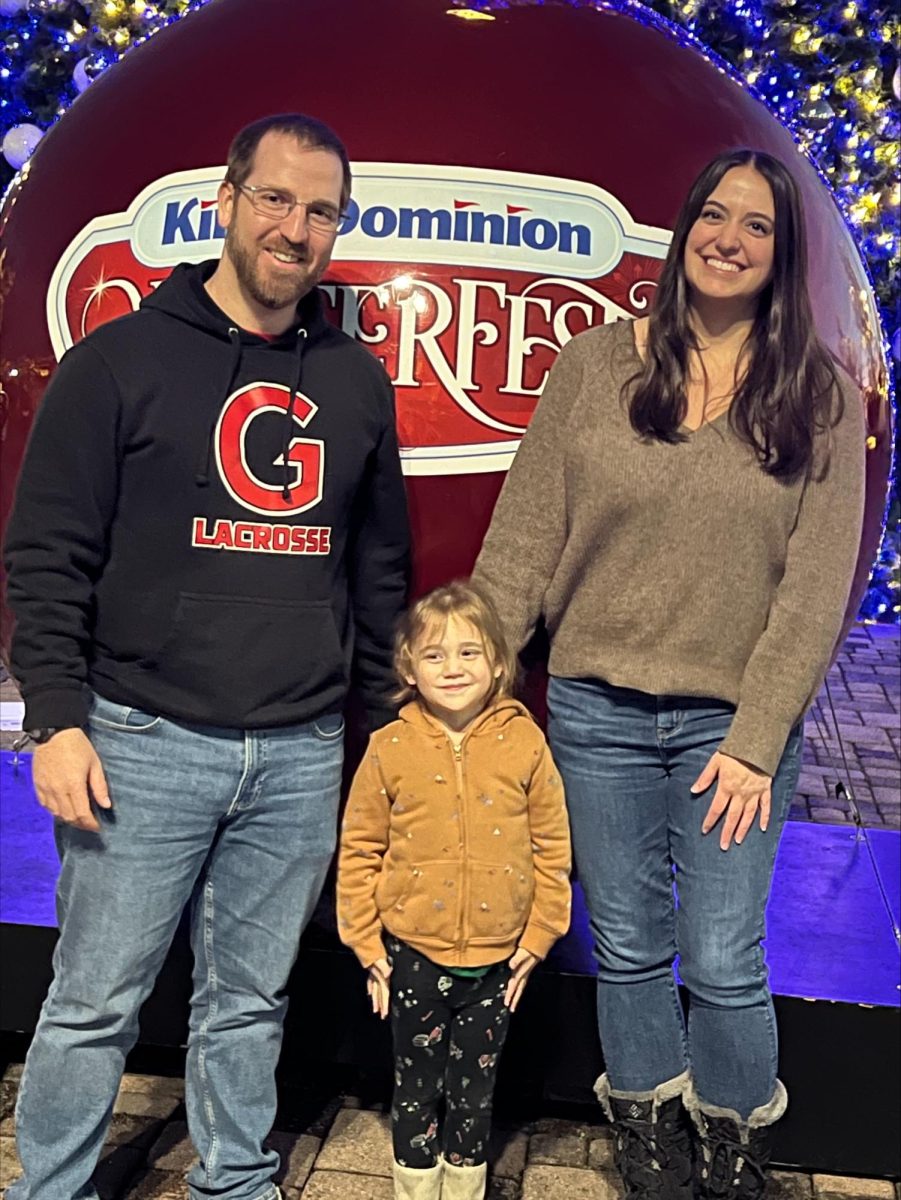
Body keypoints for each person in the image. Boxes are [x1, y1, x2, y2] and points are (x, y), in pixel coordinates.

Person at [3, 112, 410, 1200]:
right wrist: (54, 718)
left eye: (320, 210)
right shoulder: (118, 361)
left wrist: (374, 738)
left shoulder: (355, 384)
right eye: (275, 199)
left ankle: (234, 1179)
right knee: (93, 1002)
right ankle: (52, 1188)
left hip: (298, 752)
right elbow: (46, 555)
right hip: (138, 739)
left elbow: (378, 580)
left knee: (250, 1001)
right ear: (225, 203)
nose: (296, 228)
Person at [473, 149, 865, 1200]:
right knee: (633, 944)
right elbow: (523, 542)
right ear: (684, 225)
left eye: (757, 227)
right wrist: (470, 688)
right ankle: (647, 1134)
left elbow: (814, 588)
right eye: (713, 215)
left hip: (729, 734)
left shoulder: (819, 399)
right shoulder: (596, 366)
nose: (727, 240)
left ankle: (733, 1145)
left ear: (782, 257)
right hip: (594, 713)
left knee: (724, 955)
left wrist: (755, 739)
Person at [336, 581, 572, 1200]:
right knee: (415, 1089)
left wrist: (541, 934)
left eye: (469, 653)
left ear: (497, 663)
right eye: (434, 655)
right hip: (412, 956)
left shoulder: (526, 742)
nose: (452, 667)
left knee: (474, 1092)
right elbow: (360, 850)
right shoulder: (388, 748)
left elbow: (553, 847)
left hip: (500, 959)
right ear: (409, 668)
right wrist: (366, 946)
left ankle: (463, 1192)